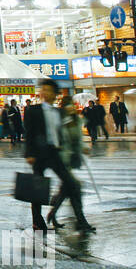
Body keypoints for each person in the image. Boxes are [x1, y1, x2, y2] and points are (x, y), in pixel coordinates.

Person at [23, 79, 92, 233]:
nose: (45, 93)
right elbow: (29, 134)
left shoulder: (59, 112)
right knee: (37, 190)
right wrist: (29, 153)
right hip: (39, 154)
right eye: (43, 89)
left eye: (48, 90)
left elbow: (70, 130)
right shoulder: (32, 110)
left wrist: (81, 147)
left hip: (55, 153)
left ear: (55, 94)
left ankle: (78, 219)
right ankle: (38, 222)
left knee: (71, 184)